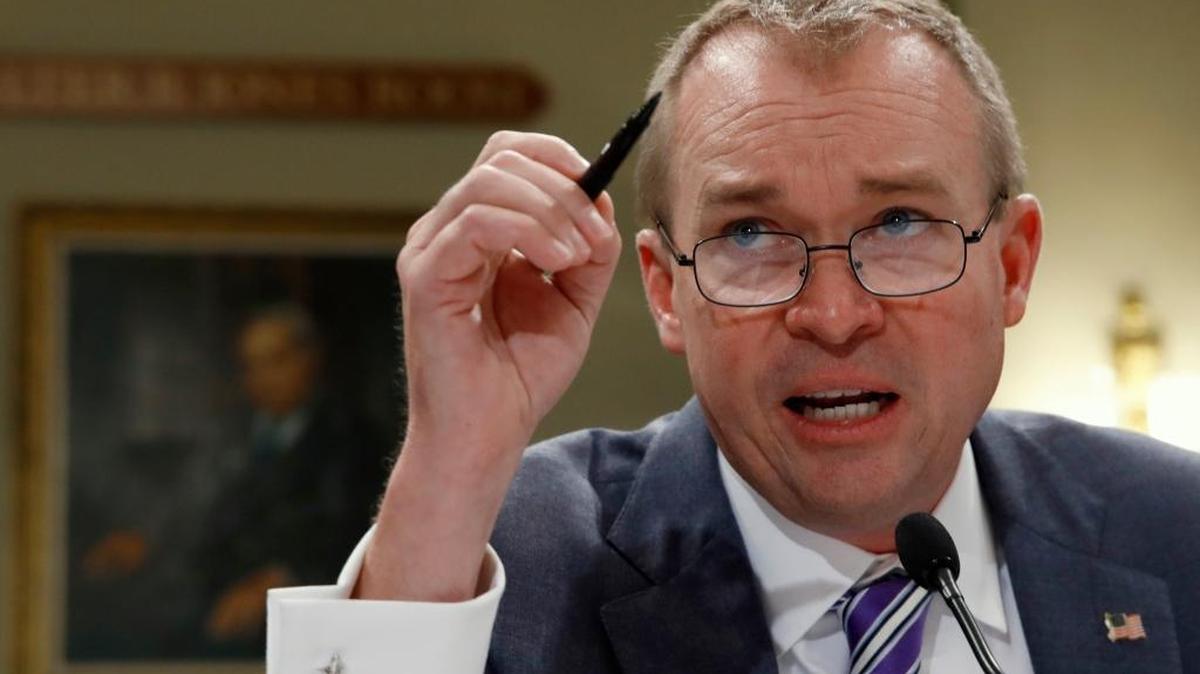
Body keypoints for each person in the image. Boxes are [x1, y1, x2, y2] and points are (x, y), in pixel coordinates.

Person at [267, 1, 1200, 672]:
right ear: (668, 292)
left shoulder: (1174, 530)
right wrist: (452, 457)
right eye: (750, 236)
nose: (833, 315)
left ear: (1013, 264)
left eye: (903, 224)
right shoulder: (522, 555)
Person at [200, 303, 389, 655]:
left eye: (276, 361)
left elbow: (349, 536)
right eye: (251, 366)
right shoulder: (229, 438)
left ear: (310, 359)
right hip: (217, 608)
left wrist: (284, 577)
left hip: (305, 624)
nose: (263, 379)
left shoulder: (352, 440)